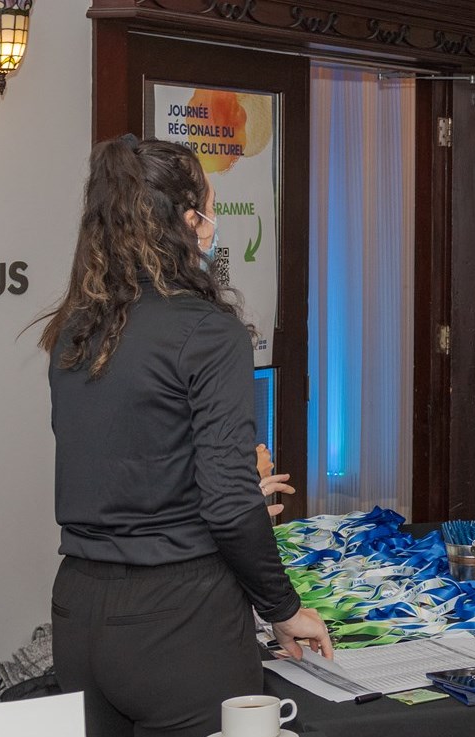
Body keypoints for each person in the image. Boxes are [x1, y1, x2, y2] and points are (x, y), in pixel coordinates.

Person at [41, 136, 331, 737]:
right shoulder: (205, 329)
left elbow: (121, 459)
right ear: (181, 222)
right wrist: (282, 606)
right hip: (177, 620)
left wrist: (213, 474)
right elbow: (227, 506)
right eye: (206, 212)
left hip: (78, 611)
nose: (211, 228)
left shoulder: (75, 327)